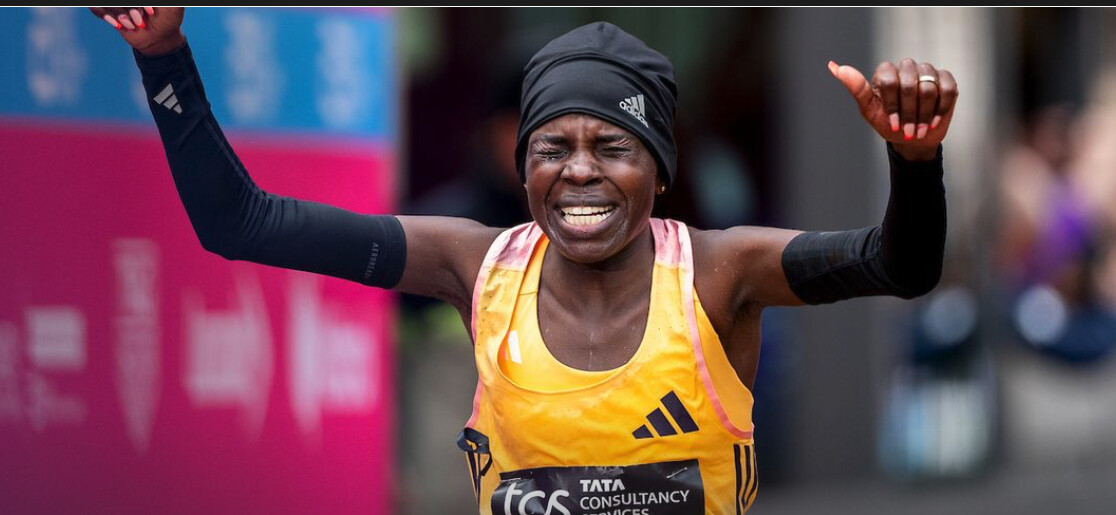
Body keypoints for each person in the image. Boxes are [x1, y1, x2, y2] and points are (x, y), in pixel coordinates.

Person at [94, 7, 956, 514]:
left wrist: (915, 162)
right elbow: (242, 222)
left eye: (611, 146)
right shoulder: (478, 266)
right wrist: (163, 57)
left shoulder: (718, 271)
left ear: (659, 170)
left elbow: (899, 265)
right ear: (521, 166)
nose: (579, 170)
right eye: (552, 148)